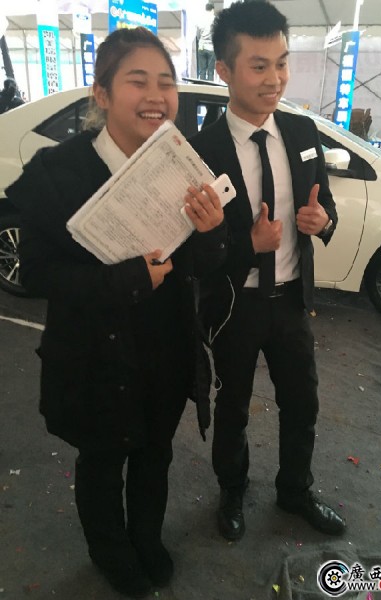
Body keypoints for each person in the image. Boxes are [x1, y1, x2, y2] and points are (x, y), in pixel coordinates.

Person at [6, 27, 227, 598]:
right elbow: (36, 274)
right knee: (103, 462)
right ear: (101, 94)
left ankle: (146, 538)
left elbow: (202, 265)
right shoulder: (56, 173)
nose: (157, 96)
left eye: (166, 83)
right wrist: (125, 280)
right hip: (94, 356)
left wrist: (210, 231)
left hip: (165, 349)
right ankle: (111, 553)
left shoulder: (182, 167)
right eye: (138, 81)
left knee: (155, 456)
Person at [190, 1, 346, 542]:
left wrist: (323, 221)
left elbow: (325, 204)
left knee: (302, 401)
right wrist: (246, 246)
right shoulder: (202, 152)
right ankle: (232, 489)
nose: (275, 78)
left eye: (282, 62)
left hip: (291, 301)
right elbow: (194, 252)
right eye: (258, 66)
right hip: (237, 304)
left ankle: (295, 491)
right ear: (225, 70)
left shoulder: (301, 133)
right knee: (232, 406)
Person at [197, 3, 215, 81]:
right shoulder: (214, 19)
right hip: (211, 47)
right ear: (212, 9)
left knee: (202, 71)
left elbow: (198, 35)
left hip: (201, 46)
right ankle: (210, 88)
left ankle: (201, 87)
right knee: (210, 72)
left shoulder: (200, 19)